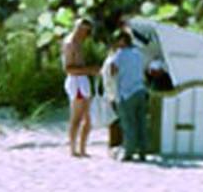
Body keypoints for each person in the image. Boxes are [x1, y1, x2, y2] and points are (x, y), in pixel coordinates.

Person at [105, 20, 151, 162]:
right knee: (141, 123)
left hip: (127, 93)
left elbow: (112, 72)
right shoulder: (138, 53)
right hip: (140, 90)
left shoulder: (119, 54)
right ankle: (143, 151)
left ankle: (129, 152)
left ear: (122, 41)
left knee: (128, 124)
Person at [61, 14, 95, 157]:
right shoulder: (70, 44)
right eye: (81, 30)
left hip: (82, 79)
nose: (83, 34)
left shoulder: (79, 43)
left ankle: (82, 149)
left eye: (86, 31)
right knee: (77, 117)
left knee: (88, 117)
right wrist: (90, 70)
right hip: (76, 81)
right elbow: (68, 68)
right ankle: (73, 149)